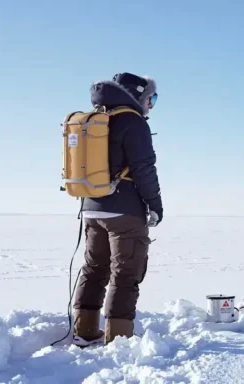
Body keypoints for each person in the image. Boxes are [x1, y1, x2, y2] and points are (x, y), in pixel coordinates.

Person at [72, 72, 163, 347]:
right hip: (124, 211)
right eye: (152, 99)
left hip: (90, 208)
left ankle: (84, 329)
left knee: (93, 268)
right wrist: (155, 206)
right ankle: (119, 339)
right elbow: (144, 169)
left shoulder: (97, 118)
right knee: (125, 273)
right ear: (139, 97)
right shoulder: (133, 122)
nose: (151, 105)